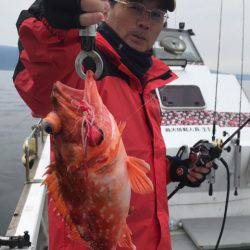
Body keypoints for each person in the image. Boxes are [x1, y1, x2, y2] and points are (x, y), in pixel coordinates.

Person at [13, 0, 212, 249]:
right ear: (107, 8)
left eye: (156, 14)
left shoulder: (147, 81)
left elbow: (128, 165)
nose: (145, 22)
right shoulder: (82, 62)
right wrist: (52, 19)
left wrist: (175, 170)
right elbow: (41, 72)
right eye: (135, 7)